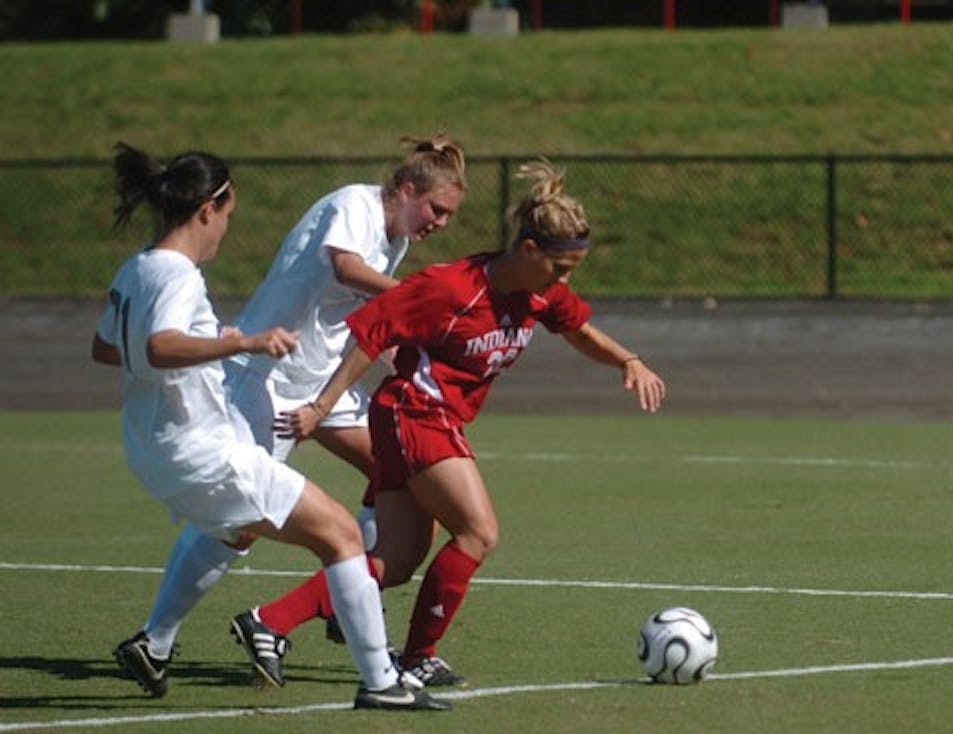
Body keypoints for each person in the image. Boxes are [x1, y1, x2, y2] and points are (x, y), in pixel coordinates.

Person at [241, 159, 666, 687]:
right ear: (529, 250)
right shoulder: (450, 288)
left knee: (396, 559)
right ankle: (419, 655)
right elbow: (371, 333)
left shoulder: (540, 293)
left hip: (427, 417)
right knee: (478, 532)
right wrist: (321, 408)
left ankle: (269, 622)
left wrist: (628, 359)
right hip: (413, 411)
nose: (565, 281)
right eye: (560, 268)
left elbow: (578, 330)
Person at [93, 142, 448, 710]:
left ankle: (157, 643)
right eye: (229, 215)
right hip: (230, 421)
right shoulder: (180, 275)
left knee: (245, 527)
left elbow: (109, 349)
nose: (226, 231)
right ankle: (379, 677)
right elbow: (160, 346)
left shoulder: (135, 268)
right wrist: (241, 340)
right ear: (208, 208)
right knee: (341, 537)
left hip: (166, 443)